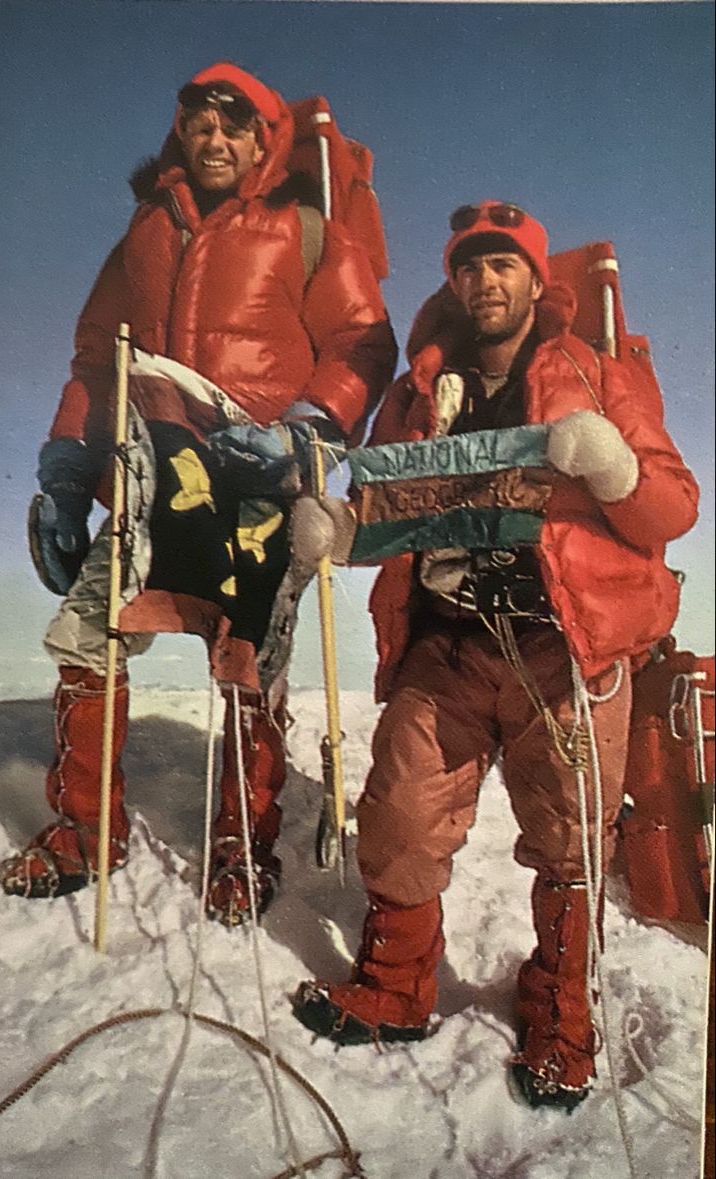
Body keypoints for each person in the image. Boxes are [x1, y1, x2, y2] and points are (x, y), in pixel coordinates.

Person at [290, 201, 698, 1109]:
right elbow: (390, 506)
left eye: (504, 264)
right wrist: (338, 529)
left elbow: (673, 504)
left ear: (535, 279)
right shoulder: (417, 390)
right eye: (469, 266)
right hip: (448, 640)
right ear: (454, 281)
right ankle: (395, 988)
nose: (485, 281)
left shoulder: (595, 372)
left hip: (564, 647)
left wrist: (613, 468)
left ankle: (561, 1017)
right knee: (397, 812)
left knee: (569, 839)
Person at [0, 62, 397, 923]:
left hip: (262, 480)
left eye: (234, 126)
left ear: (264, 141)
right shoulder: (145, 232)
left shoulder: (307, 230)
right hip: (155, 476)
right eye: (198, 124)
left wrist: (310, 423)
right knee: (87, 635)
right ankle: (84, 829)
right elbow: (97, 354)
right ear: (181, 133)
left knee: (252, 667)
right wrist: (69, 468)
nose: (214, 140)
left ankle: (240, 845)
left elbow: (364, 343)